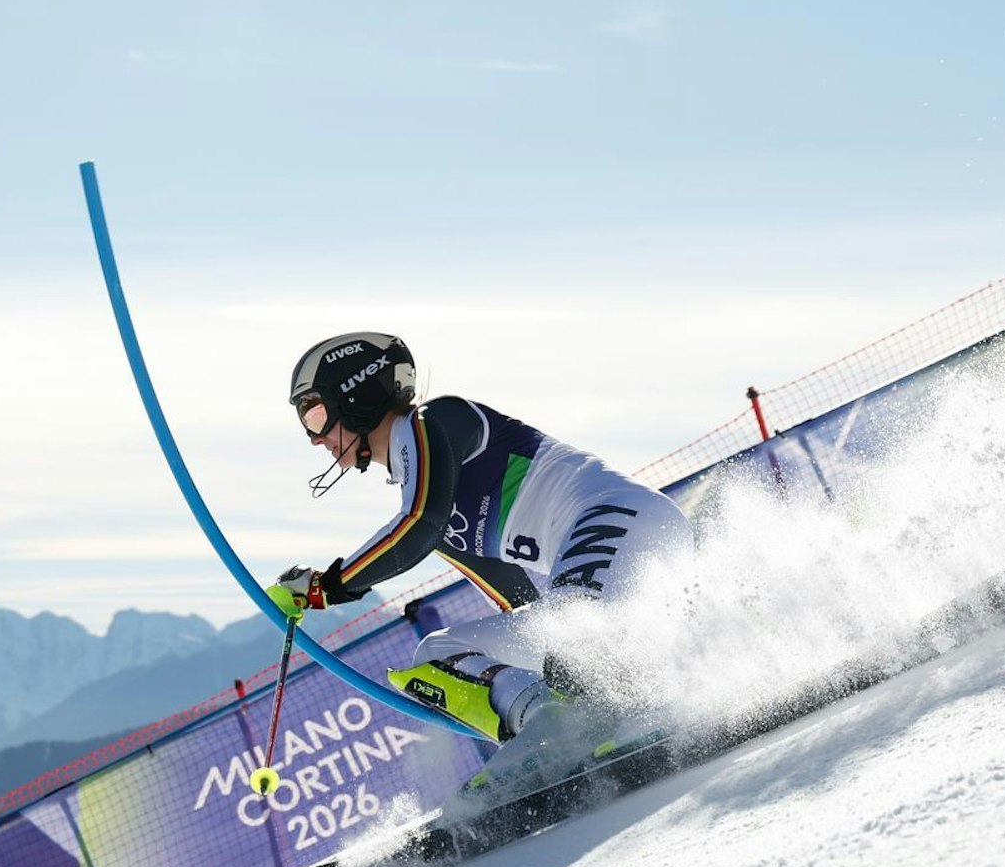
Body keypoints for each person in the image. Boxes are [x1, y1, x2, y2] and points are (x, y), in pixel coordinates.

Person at [264, 331, 694, 801]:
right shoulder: (431, 497)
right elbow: (521, 602)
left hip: (620, 521)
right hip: (590, 578)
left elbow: (417, 528)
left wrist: (329, 585)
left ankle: (658, 705)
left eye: (316, 415)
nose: (315, 439)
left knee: (579, 643)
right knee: (435, 655)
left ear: (357, 393)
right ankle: (545, 727)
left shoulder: (439, 420)